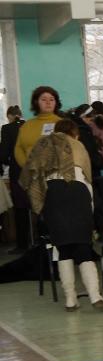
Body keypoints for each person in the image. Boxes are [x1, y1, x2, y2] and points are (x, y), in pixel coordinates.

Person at [18, 119, 103, 311]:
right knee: (83, 245)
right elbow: (86, 178)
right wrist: (91, 209)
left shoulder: (43, 143)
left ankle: (70, 299)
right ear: (75, 134)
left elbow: (29, 175)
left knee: (63, 248)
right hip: (77, 193)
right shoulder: (78, 145)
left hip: (53, 195)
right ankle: (95, 297)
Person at [14, 86, 62, 169]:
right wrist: (27, 166)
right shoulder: (27, 125)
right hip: (30, 173)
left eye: (51, 99)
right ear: (36, 102)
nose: (48, 102)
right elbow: (18, 148)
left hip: (55, 174)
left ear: (56, 102)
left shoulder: (62, 123)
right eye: (43, 99)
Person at [0, 106, 27, 253]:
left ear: (9, 116)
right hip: (33, 173)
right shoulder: (29, 126)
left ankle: (23, 244)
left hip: (17, 173)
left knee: (20, 208)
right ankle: (41, 240)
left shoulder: (7, 129)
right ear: (20, 115)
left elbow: (3, 154)